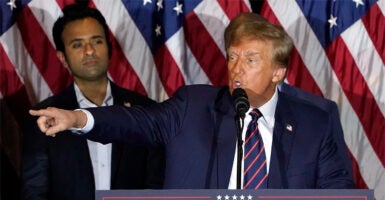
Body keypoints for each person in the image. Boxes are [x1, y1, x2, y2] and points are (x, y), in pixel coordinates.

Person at [29, 12, 355, 189]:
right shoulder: (193, 105)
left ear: (278, 72)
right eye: (232, 57)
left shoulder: (317, 120)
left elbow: (337, 191)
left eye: (251, 60)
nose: (236, 68)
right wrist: (78, 119)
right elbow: (138, 122)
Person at [21, 4, 164, 200]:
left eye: (96, 41)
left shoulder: (145, 110)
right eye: (77, 44)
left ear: (108, 46)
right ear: (62, 57)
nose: (89, 51)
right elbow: (34, 193)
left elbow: (156, 188)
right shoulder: (44, 117)